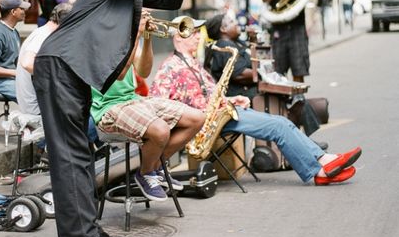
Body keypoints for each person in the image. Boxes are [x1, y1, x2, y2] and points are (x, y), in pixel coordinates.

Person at [33, 0, 240, 237]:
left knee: (81, 154)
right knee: (70, 156)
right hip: (60, 65)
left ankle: (89, 231)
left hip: (73, 70)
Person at [149, 25, 361, 187]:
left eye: (198, 32)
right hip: (204, 124)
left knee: (280, 122)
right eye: (193, 33)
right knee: (279, 126)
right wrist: (188, 119)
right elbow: (157, 103)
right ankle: (322, 167)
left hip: (218, 115)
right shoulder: (169, 67)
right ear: (178, 37)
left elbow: (212, 95)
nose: (198, 37)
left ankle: (321, 164)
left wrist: (232, 100)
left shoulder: (195, 64)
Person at [91, 10, 205, 201]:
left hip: (133, 100)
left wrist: (147, 37)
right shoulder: (96, 41)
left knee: (197, 118)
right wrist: (136, 33)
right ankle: (145, 173)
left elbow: (143, 71)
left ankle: (155, 167)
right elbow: (119, 72)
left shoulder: (125, 39)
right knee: (160, 130)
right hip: (108, 108)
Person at [262, 0, 325, 83]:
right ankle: (282, 101)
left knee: (299, 69)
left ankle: (299, 100)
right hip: (279, 30)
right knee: (278, 70)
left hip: (297, 30)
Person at [16, 2, 73, 116]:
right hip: (35, 108)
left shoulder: (41, 32)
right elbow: (27, 63)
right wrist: (57, 77)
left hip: (35, 101)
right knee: (86, 119)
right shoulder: (43, 36)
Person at [204, 13, 257, 101]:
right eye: (232, 22)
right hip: (240, 98)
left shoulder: (235, 42)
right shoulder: (225, 46)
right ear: (223, 29)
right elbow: (240, 74)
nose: (236, 23)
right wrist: (261, 73)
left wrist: (253, 38)